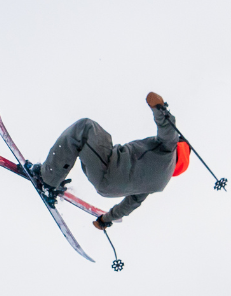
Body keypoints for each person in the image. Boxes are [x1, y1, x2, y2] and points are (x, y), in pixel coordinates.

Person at [31, 91, 189, 229]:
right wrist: (105, 220)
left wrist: (159, 109)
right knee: (81, 142)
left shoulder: (169, 148)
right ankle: (52, 177)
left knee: (85, 128)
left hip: (109, 165)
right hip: (105, 187)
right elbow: (131, 204)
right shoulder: (159, 183)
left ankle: (48, 180)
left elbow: (168, 132)